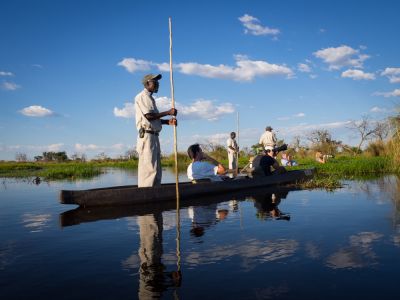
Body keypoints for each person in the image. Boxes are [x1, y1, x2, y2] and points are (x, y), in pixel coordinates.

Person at [135, 74, 177, 187]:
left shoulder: (150, 98)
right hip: (147, 136)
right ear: (147, 83)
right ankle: (146, 194)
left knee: (156, 169)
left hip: (154, 136)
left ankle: (156, 191)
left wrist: (168, 122)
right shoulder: (142, 96)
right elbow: (148, 116)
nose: (157, 84)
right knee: (149, 169)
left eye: (157, 82)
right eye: (154, 81)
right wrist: (168, 112)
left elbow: (154, 118)